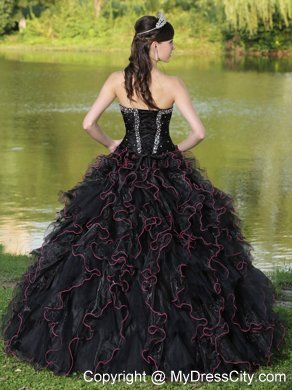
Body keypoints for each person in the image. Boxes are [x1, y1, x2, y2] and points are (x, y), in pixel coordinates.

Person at [0, 13, 287, 382]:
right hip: (166, 171)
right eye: (170, 42)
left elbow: (88, 123)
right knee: (177, 256)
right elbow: (199, 133)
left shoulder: (117, 80)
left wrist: (113, 144)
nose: (174, 47)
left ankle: (105, 333)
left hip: (122, 170)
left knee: (107, 250)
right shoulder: (172, 84)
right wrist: (174, 153)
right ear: (154, 46)